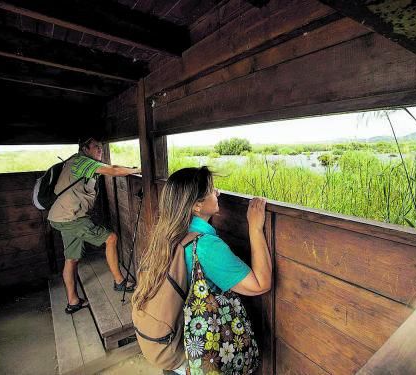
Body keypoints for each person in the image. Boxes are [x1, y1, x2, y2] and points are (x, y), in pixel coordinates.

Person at [132, 166, 272, 375]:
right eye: (212, 190)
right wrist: (255, 227)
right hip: (191, 355)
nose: (218, 193)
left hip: (168, 341)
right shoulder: (205, 246)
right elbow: (261, 284)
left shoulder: (167, 232)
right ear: (197, 206)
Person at [48, 137, 141, 314]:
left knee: (71, 259)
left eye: (101, 146)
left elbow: (111, 168)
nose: (100, 149)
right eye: (96, 147)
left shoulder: (78, 161)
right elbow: (112, 171)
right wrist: (139, 169)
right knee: (111, 238)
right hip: (71, 218)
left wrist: (129, 168)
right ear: (84, 148)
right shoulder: (83, 162)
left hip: (61, 217)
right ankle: (119, 281)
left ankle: (73, 301)